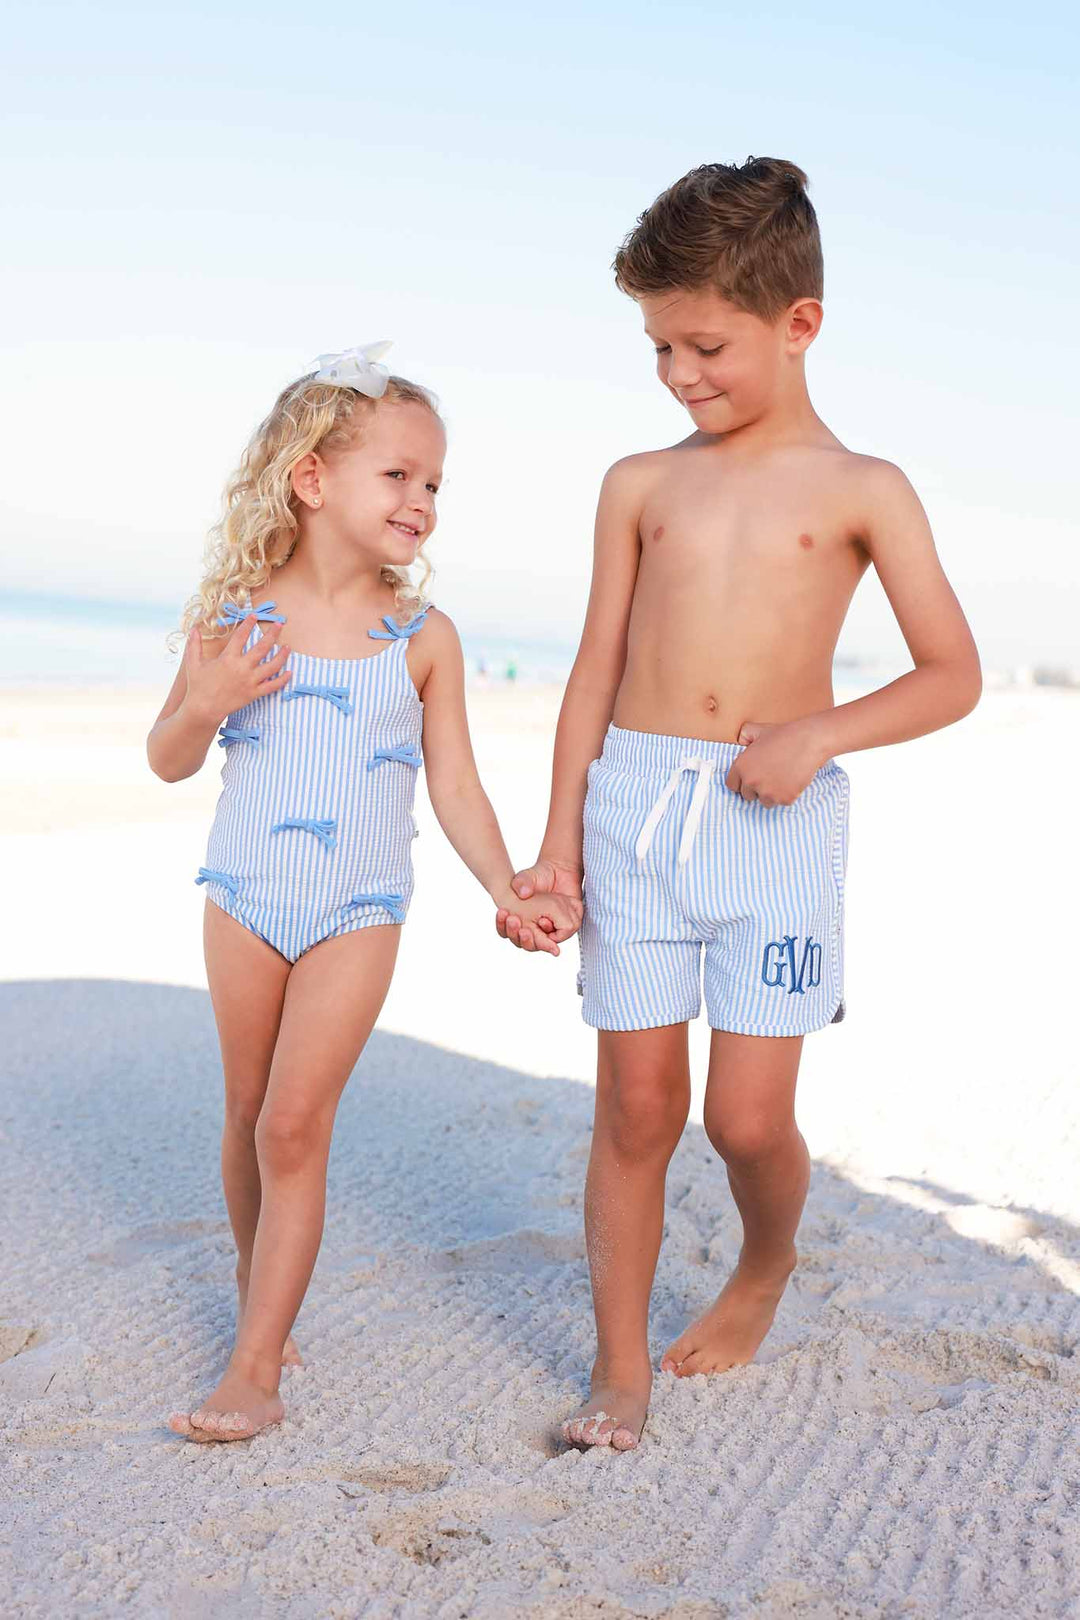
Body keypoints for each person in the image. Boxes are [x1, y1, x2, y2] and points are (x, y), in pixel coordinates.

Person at [497, 159, 981, 1452]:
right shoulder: (638, 487)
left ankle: (763, 1265)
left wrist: (822, 733)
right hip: (635, 810)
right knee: (638, 1106)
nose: (678, 374)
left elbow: (954, 676)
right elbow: (594, 669)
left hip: (778, 823)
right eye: (658, 346)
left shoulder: (866, 490)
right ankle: (619, 1374)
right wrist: (555, 847)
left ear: (799, 323)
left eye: (705, 345)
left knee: (745, 1118)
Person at [148, 343, 577, 1442]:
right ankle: (266, 1307)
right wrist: (210, 698)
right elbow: (167, 756)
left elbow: (459, 787)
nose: (423, 501)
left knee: (296, 1124)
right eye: (399, 476)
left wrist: (504, 882)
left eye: (434, 484)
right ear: (312, 480)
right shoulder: (236, 616)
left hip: (359, 907)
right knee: (247, 1117)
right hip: (242, 895)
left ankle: (255, 1367)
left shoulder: (423, 640)